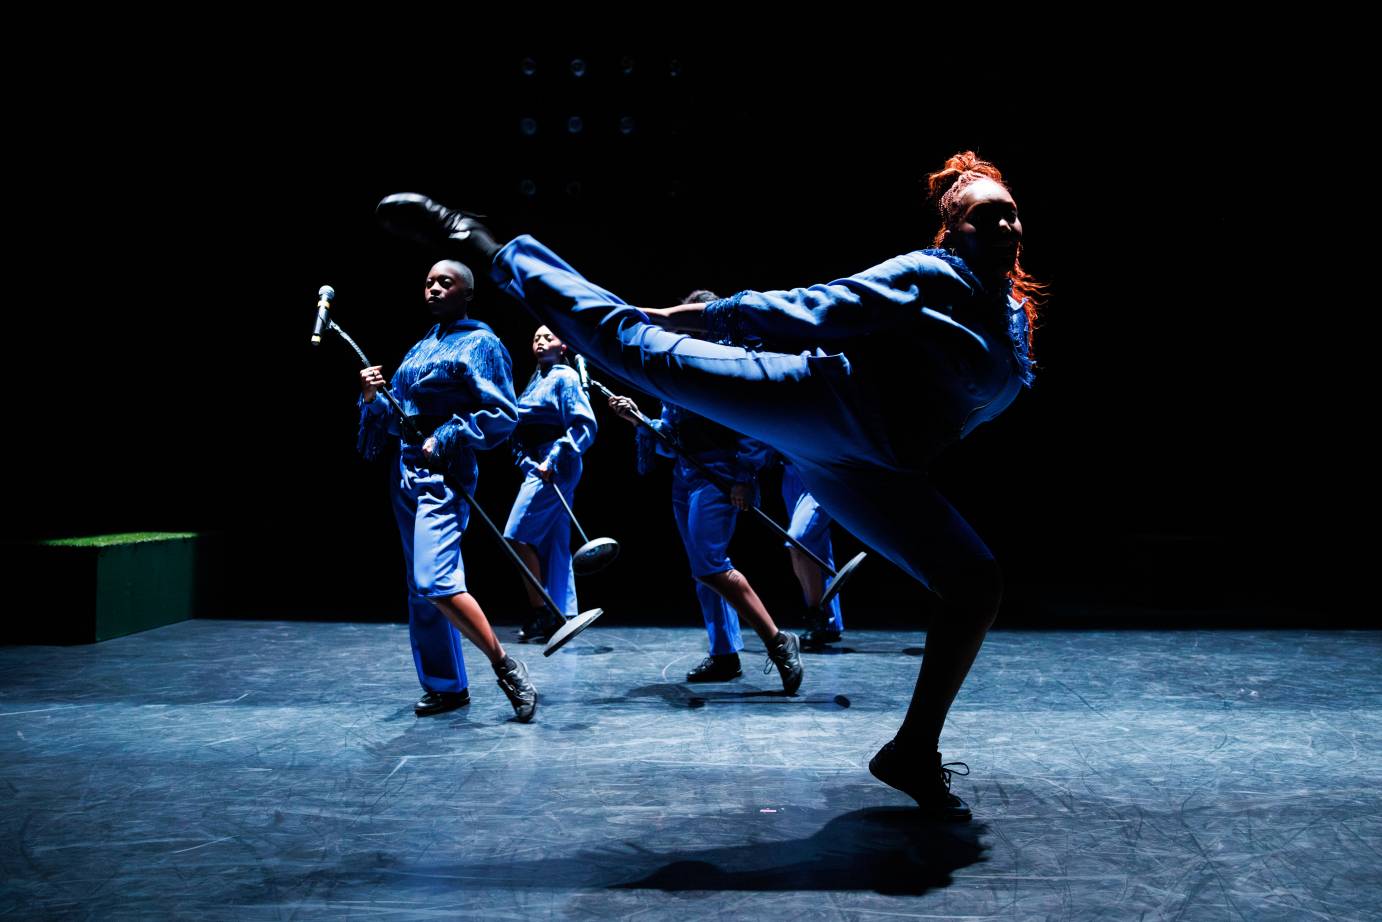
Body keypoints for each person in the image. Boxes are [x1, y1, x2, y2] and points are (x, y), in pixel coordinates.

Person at [374, 150, 1041, 817]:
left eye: (1011, 212)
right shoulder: (932, 274)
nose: (1006, 224)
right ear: (953, 228)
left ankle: (912, 752)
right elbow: (815, 308)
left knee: (975, 584)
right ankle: (481, 241)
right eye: (986, 214)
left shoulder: (1011, 320)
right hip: (822, 404)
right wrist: (694, 318)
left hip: (875, 467)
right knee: (632, 344)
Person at [357, 258, 540, 722]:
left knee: (435, 581)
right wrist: (372, 398)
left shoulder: (482, 342)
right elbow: (395, 420)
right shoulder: (420, 347)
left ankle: (506, 666)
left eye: (446, 282)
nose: (434, 289)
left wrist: (451, 434)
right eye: (428, 282)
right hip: (407, 471)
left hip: (445, 472)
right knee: (419, 591)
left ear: (466, 293)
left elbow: (502, 413)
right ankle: (446, 686)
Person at [605, 292, 800, 693]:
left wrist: (745, 476)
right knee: (703, 570)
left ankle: (779, 641)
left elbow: (751, 424)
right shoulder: (679, 371)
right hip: (686, 473)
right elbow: (670, 435)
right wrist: (637, 419)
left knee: (711, 565)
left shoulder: (727, 364)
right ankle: (725, 654)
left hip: (721, 472)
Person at [502, 325, 597, 643]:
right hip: (540, 462)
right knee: (556, 541)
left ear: (564, 346)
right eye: (535, 337)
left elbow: (583, 423)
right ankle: (563, 614)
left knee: (515, 534)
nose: (540, 341)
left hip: (556, 465)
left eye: (548, 337)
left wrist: (553, 459)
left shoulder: (564, 377)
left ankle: (540, 610)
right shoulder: (536, 378)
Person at [778, 456, 845, 649]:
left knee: (799, 540)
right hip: (791, 474)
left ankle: (817, 614)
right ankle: (830, 624)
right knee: (815, 548)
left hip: (820, 471)